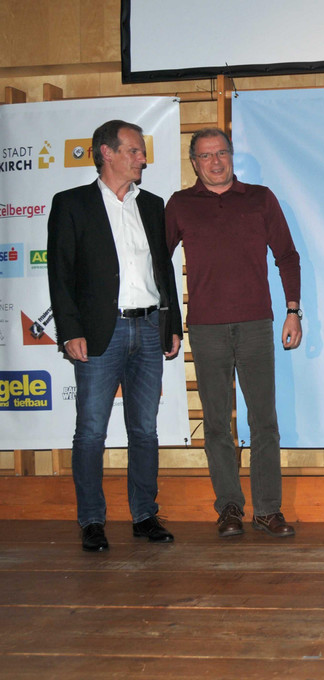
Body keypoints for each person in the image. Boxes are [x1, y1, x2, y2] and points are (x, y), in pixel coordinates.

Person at [47, 119, 182, 552]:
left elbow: (164, 271)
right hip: (100, 332)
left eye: (142, 151)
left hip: (149, 328)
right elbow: (60, 274)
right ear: (107, 153)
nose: (143, 158)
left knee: (144, 430)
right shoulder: (72, 204)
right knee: (91, 431)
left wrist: (172, 324)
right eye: (134, 150)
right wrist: (70, 331)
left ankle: (144, 515)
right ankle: (92, 520)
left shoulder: (153, 205)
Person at [166, 128, 303, 539]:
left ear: (231, 155)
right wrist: (166, 320)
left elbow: (287, 255)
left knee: (264, 422)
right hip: (205, 327)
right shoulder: (180, 205)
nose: (215, 162)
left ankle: (267, 510)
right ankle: (229, 507)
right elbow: (157, 262)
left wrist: (293, 310)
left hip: (256, 324)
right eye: (206, 156)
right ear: (194, 163)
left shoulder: (260, 198)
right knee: (215, 424)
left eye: (221, 153)